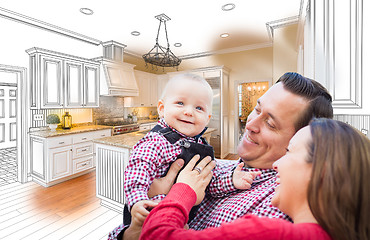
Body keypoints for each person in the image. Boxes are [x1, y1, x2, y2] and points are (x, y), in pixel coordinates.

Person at [108, 72, 334, 240]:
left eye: (271, 124)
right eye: (256, 109)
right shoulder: (230, 167)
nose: (250, 124)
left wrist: (178, 192)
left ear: (300, 139)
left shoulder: (275, 209)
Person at [140, 118, 370, 240]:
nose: (277, 165)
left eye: (289, 152)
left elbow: (156, 237)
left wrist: (181, 191)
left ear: (321, 171)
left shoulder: (270, 232)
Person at [123, 73, 259, 235]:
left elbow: (209, 183)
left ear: (207, 118)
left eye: (199, 108)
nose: (189, 112)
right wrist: (137, 201)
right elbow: (136, 174)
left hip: (183, 221)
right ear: (162, 108)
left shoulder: (202, 147)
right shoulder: (156, 142)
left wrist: (231, 180)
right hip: (148, 215)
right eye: (180, 103)